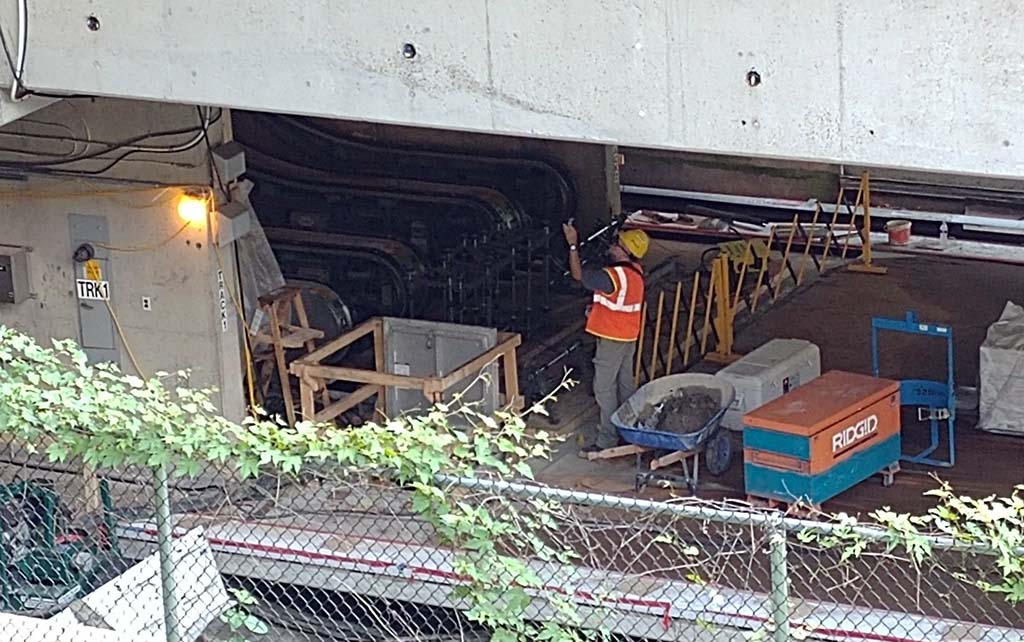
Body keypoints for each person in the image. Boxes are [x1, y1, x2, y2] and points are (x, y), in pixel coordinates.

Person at [562, 222, 649, 456]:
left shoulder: (612, 276)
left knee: (603, 388)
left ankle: (607, 439)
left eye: (618, 244)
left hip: (612, 337)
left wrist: (572, 244)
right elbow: (618, 302)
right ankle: (629, 429)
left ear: (626, 251)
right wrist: (597, 310)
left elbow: (578, 275)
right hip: (628, 335)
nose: (613, 246)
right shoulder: (635, 272)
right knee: (625, 384)